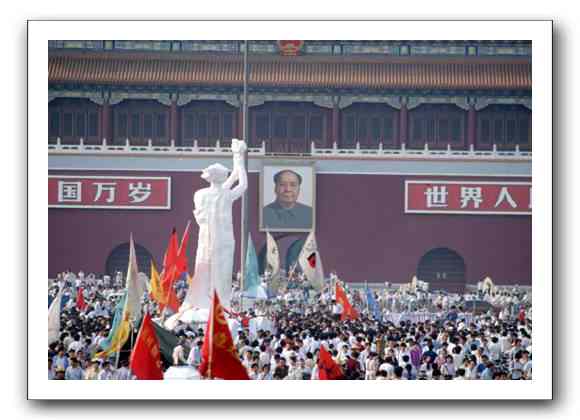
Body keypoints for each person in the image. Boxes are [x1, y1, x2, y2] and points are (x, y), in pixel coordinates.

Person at [181, 139, 247, 310]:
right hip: (223, 238)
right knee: (223, 270)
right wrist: (239, 159)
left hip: (207, 238)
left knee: (206, 265)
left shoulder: (200, 194)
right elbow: (242, 184)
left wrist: (237, 157)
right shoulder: (225, 194)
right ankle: (220, 301)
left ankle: (208, 299)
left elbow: (227, 185)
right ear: (221, 176)